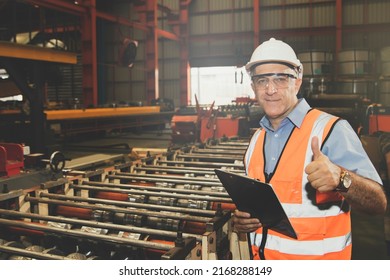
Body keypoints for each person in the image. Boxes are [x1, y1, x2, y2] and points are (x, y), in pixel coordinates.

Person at [232, 38, 387, 260]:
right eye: (262, 80)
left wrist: (342, 179)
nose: (270, 89)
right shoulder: (256, 139)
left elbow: (379, 203)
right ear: (253, 87)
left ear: (297, 82)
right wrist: (244, 220)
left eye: (281, 78)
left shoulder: (330, 130)